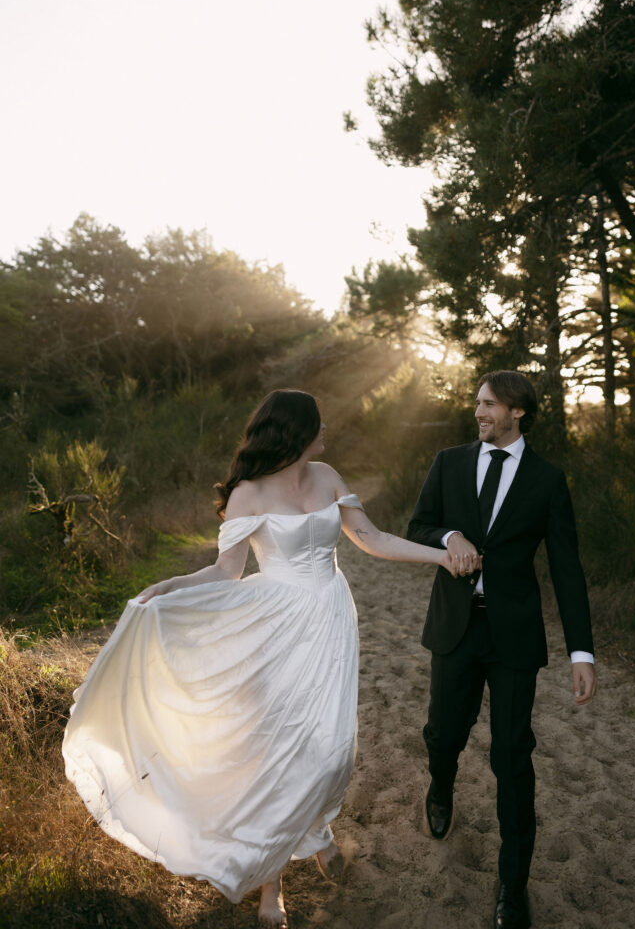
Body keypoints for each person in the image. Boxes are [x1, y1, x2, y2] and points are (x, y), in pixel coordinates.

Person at [63, 388, 453, 929]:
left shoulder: (328, 476)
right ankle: (273, 891)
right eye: (319, 423)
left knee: (331, 749)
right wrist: (169, 587)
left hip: (331, 616)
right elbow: (226, 571)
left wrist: (442, 558)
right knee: (279, 748)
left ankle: (314, 833)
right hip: (274, 625)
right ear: (297, 429)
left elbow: (371, 538)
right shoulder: (247, 493)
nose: (326, 432)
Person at [407, 371, 596, 929]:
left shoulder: (547, 480)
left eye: (488, 404)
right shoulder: (449, 462)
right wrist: (450, 538)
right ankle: (441, 783)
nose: (479, 411)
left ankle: (513, 888)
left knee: (512, 757)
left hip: (513, 636)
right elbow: (417, 526)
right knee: (445, 733)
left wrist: (581, 653)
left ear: (517, 411)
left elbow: (567, 568)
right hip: (454, 628)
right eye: (477, 402)